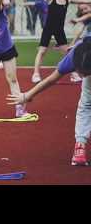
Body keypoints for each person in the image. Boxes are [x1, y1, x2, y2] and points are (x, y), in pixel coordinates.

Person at [8, 37, 91, 166]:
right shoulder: (73, 57)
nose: (82, 77)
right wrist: (27, 95)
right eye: (81, 73)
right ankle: (80, 146)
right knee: (86, 104)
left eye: (86, 73)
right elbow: (51, 79)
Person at [15, 0, 91, 83]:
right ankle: (36, 73)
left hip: (59, 30)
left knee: (68, 53)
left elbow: (82, 0)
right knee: (42, 51)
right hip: (48, 29)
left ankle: (74, 73)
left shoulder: (68, 0)